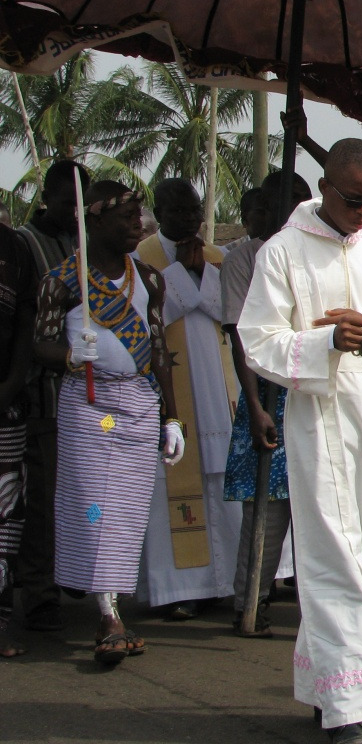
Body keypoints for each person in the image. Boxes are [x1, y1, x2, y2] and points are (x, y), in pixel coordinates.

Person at [238, 139, 362, 744]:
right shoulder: (283, 253)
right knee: (331, 554)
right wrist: (325, 343)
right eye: (355, 200)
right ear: (325, 188)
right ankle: (350, 708)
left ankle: (342, 687)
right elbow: (258, 339)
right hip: (317, 415)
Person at [33, 182, 184, 666]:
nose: (137, 227)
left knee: (127, 510)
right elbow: (40, 344)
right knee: (94, 504)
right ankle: (108, 613)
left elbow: (159, 350)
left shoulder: (150, 280)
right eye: (126, 219)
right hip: (89, 408)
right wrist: (71, 353)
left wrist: (172, 415)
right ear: (93, 222)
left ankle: (107, 601)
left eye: (139, 217)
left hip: (140, 404)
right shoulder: (64, 280)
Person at [135, 179, 240, 620]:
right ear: (158, 211)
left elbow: (228, 313)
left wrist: (200, 271)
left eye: (195, 210)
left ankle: (225, 582)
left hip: (218, 392)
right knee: (173, 487)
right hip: (171, 394)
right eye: (177, 212)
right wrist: (182, 272)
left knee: (220, 484)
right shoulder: (141, 258)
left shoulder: (218, 257)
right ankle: (177, 588)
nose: (189, 220)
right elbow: (149, 318)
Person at [220, 171, 312, 637]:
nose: (299, 204)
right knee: (266, 509)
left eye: (303, 196)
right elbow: (242, 338)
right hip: (268, 396)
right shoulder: (245, 259)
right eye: (289, 198)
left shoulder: (312, 251)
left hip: (309, 393)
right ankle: (249, 601)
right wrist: (254, 405)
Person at [15, 159, 91, 634]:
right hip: (42, 391)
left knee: (79, 493)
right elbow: (23, 322)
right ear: (47, 198)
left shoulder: (83, 245)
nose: (74, 215)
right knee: (40, 499)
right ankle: (39, 591)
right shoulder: (25, 244)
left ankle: (71, 574)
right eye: (67, 205)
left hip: (83, 397)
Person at [0, 219, 37, 658]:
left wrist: (11, 383)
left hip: (6, 401)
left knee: (5, 514)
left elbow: (26, 317)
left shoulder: (13, 245)